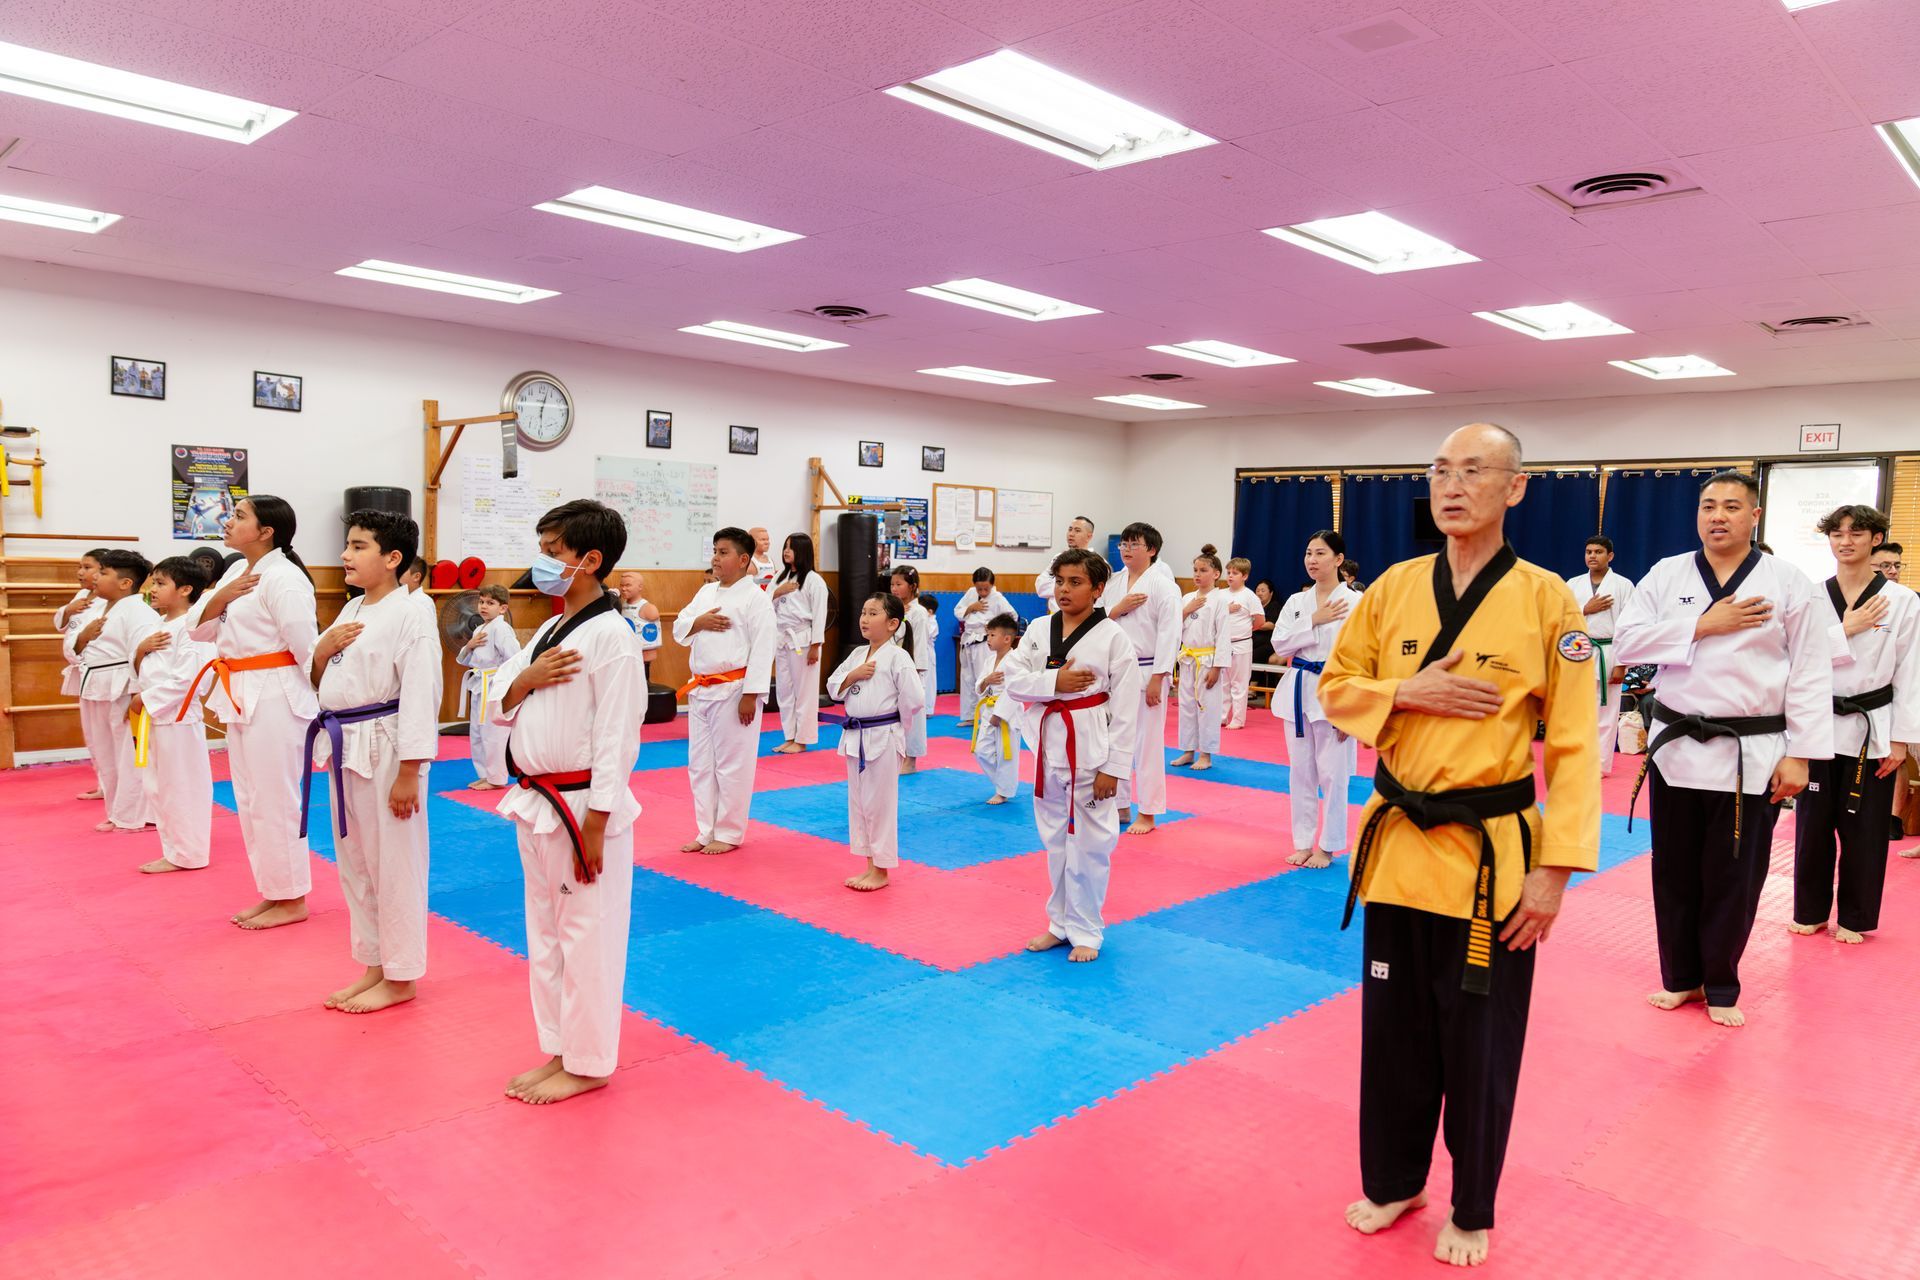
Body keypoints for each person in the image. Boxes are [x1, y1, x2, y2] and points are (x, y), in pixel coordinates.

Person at [1319, 423, 1600, 1269]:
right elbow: (1336, 688)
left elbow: (1579, 743)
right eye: (1440, 469)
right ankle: (1397, 1178)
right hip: (1402, 845)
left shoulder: (1552, 600)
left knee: (1480, 1048)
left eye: (1475, 470)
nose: (1452, 484)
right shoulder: (1394, 588)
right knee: (1394, 1034)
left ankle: (1473, 1205)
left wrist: (1556, 870)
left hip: (1493, 863)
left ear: (1515, 489)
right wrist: (1410, 691)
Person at [1614, 470, 1831, 1029]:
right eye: (1708, 505)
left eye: (1731, 506)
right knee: (1674, 873)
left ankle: (1721, 982)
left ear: (1753, 516)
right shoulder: (1667, 574)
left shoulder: (1788, 580)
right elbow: (1629, 640)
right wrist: (1701, 625)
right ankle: (1679, 978)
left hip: (1752, 752)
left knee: (1736, 877)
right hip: (1677, 749)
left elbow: (1809, 671)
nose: (1717, 515)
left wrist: (1800, 753)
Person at [487, 499, 642, 1104]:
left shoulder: (613, 637)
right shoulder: (553, 629)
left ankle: (590, 1060)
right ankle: (559, 1048)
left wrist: (599, 820)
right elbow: (501, 696)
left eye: (553, 550)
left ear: (589, 560)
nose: (543, 561)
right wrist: (525, 678)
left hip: (582, 809)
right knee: (548, 933)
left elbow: (617, 738)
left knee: (587, 935)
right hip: (536, 802)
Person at [308, 511, 442, 1014]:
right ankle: (374, 963)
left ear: (392, 558)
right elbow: (323, 675)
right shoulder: (351, 609)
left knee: (396, 865)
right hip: (345, 743)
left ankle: (402, 975)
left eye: (359, 546)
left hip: (386, 747)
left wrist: (411, 770)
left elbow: (422, 693)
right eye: (348, 544)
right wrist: (320, 652)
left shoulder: (414, 612)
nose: (345, 554)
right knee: (357, 862)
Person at [1001, 548, 1141, 962]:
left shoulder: (1114, 637)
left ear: (1098, 590)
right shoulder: (1039, 629)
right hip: (1047, 748)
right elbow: (1014, 679)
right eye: (1060, 580)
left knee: (1091, 845)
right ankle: (1058, 924)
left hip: (1092, 753)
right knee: (1056, 842)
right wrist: (1055, 681)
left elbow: (1127, 710)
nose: (1064, 589)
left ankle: (1088, 931)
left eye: (1075, 582)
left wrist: (1115, 769)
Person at [189, 496, 321, 930]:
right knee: (248, 798)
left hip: (275, 695)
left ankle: (293, 898)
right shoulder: (235, 571)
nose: (228, 520)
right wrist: (221, 594)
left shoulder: (284, 578)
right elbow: (196, 629)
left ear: (267, 531)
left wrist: (325, 703)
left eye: (240, 516)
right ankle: (274, 890)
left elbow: (307, 648)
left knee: (276, 797)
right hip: (240, 689)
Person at [1789, 505, 1918, 942]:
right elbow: (1795, 661)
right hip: (1819, 723)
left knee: (1864, 830)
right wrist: (1845, 628)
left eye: (1856, 533)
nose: (1845, 541)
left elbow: (1910, 673)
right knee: (1811, 826)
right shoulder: (1809, 595)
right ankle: (1809, 910)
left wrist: (1901, 741)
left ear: (1875, 539)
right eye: (1837, 534)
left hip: (1872, 726)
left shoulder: (1902, 601)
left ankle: (1856, 917)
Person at [674, 527, 775, 854]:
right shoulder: (706, 594)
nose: (715, 558)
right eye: (715, 551)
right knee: (700, 764)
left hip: (735, 690)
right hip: (701, 689)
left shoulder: (756, 599)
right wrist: (698, 622)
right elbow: (680, 627)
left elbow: (763, 649)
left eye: (723, 552)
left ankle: (729, 832)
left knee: (732, 765)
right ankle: (706, 829)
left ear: (744, 559)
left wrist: (751, 694)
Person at [1271, 530, 1363, 868]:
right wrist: (1314, 620)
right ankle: (1304, 841)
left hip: (1336, 690)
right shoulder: (1298, 603)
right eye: (1309, 553)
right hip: (1298, 689)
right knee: (1301, 772)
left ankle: (1329, 845)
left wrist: (1353, 708)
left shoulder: (1355, 603)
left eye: (1320, 553)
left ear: (1338, 560)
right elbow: (1280, 646)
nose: (1312, 559)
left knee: (1333, 774)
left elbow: (1365, 656)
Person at [826, 593, 925, 891]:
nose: (865, 619)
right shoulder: (858, 655)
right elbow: (833, 688)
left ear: (893, 623)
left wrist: (898, 727)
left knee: (880, 805)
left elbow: (915, 700)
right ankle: (869, 865)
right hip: (855, 736)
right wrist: (853, 675)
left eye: (873, 613)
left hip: (883, 735)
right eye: (864, 612)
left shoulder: (898, 657)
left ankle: (881, 870)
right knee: (860, 804)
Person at [1099, 522, 1178, 834]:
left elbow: (1171, 632)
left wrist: (1160, 676)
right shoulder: (1114, 583)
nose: (1126, 550)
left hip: (1148, 670)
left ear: (1152, 550)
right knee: (1113, 740)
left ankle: (1148, 811)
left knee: (1147, 744)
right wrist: (1117, 608)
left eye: (1134, 545)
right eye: (1124, 544)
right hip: (1115, 671)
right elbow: (1099, 623)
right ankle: (1119, 803)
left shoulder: (1163, 585)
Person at [73, 550, 159, 834]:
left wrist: (138, 693)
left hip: (123, 687)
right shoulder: (99, 608)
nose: (96, 577)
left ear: (125, 583)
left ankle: (133, 814)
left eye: (104, 572)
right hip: (96, 683)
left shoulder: (139, 611)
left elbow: (144, 654)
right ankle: (117, 811)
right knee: (105, 754)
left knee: (129, 755)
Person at [1566, 535, 1636, 777]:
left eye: (1598, 551)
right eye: (1588, 552)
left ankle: (1600, 765)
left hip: (1609, 651)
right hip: (1578, 650)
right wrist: (1585, 609)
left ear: (1610, 556)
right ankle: (1577, 761)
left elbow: (1630, 626)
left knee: (1606, 713)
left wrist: (1622, 664)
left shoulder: (1624, 585)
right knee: (1577, 712)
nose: (1592, 556)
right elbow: (1559, 619)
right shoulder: (1573, 584)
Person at [1172, 545, 1232, 772]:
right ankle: (1188, 751)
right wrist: (1187, 610)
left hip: (1208, 661)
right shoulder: (1187, 597)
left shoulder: (1220, 600)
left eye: (1203, 570)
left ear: (1216, 574)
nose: (1197, 574)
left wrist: (1218, 668)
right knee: (1187, 706)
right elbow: (1173, 628)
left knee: (1207, 707)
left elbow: (1224, 636)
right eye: (1195, 570)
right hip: (1188, 659)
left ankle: (1205, 754)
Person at [57, 548, 109, 800]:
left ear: (104, 571)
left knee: (105, 735)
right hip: (82, 671)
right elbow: (61, 624)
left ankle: (112, 787)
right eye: (80, 566)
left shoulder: (109, 603)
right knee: (92, 734)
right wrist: (68, 610)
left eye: (87, 567)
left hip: (99, 671)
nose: (80, 572)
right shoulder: (81, 595)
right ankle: (103, 783)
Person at [771, 534, 829, 754]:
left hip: (804, 641)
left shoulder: (815, 581)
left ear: (802, 551)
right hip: (782, 639)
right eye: (785, 547)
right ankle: (790, 736)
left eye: (791, 548)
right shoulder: (780, 577)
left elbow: (820, 615)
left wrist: (816, 646)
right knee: (785, 690)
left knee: (804, 692)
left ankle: (803, 739)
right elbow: (766, 603)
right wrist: (778, 591)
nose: (786, 551)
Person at [459, 585, 518, 790]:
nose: (484, 606)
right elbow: (464, 659)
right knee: (477, 732)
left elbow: (514, 659)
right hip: (478, 685)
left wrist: (504, 684)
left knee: (493, 734)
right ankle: (485, 774)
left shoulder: (501, 629)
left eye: (490, 603)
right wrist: (469, 646)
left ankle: (496, 778)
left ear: (502, 608)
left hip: (493, 686)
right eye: (481, 602)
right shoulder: (479, 629)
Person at [889, 566, 937, 773]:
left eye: (899, 584)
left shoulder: (918, 612)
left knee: (914, 714)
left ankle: (911, 759)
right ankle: (898, 755)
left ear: (913, 586)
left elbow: (919, 643)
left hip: (912, 666)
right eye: (892, 584)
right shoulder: (893, 609)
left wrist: (915, 672)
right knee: (895, 713)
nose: (894, 589)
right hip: (892, 665)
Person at [972, 612, 1024, 804]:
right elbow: (979, 685)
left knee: (1006, 753)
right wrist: (987, 680)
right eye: (989, 634)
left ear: (1007, 638)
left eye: (993, 635)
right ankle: (1005, 784)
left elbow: (1015, 689)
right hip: (988, 709)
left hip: (1007, 714)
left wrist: (1000, 714)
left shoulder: (1016, 661)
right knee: (981, 750)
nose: (988, 638)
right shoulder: (989, 660)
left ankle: (1003, 791)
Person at [953, 567, 1013, 726]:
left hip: (984, 641)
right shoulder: (971, 593)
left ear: (992, 585)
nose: (983, 591)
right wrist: (971, 607)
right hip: (968, 640)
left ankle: (987, 715)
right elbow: (957, 612)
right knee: (967, 679)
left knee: (983, 677)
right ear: (974, 585)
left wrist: (994, 626)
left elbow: (1011, 616)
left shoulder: (998, 597)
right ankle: (969, 716)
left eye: (986, 588)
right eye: (980, 588)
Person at [1219, 556, 1264, 729]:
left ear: (1244, 576)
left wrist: (1246, 631)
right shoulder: (1221, 594)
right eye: (1229, 572)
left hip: (1241, 643)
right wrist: (1226, 609)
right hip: (1223, 644)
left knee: (1239, 683)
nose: (1230, 576)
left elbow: (1259, 620)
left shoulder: (1249, 596)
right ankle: (1222, 716)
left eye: (1235, 573)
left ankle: (1237, 719)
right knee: (1223, 683)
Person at [1036, 516, 1094, 613]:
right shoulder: (1058, 558)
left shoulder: (1096, 562)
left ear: (1089, 536)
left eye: (1077, 530)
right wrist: (1072, 586)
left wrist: (1058, 586)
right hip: (1054, 615)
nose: (1071, 534)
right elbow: (1040, 586)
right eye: (1070, 529)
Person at [615, 570, 662, 668]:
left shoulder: (649, 609)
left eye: (628, 585)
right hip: (628, 652)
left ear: (640, 587)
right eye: (622, 585)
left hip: (645, 653)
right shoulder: (622, 606)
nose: (623, 589)